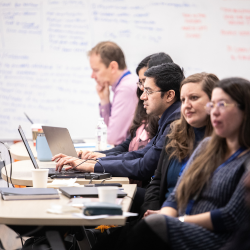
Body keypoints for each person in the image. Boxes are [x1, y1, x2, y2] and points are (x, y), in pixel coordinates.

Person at [95, 77, 250, 250]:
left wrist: (173, 220)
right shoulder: (206, 146)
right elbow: (177, 194)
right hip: (179, 222)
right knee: (114, 239)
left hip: (213, 237)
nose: (214, 111)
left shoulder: (245, 161)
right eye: (212, 105)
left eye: (222, 104)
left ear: (245, 110)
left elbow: (230, 217)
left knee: (140, 231)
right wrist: (167, 215)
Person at [53, 62, 185, 183]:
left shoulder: (174, 123)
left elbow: (144, 166)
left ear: (169, 95)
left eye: (148, 91)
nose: (142, 96)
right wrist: (95, 162)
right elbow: (141, 154)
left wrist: (91, 165)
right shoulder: (167, 118)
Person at [141, 72, 218, 215]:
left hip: (190, 220)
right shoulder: (175, 133)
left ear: (214, 101)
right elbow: (156, 182)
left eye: (194, 98)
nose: (186, 105)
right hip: (162, 213)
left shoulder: (222, 143)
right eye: (183, 100)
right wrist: (150, 212)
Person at [79, 52, 173, 160]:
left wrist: (101, 160)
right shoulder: (143, 106)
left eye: (145, 82)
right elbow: (128, 144)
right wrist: (100, 156)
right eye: (141, 82)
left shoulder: (126, 89)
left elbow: (113, 138)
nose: (142, 89)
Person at [88, 41, 138, 145]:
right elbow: (110, 134)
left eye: (96, 70)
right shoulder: (123, 84)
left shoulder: (126, 88)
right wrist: (104, 100)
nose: (92, 76)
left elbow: (112, 139)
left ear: (113, 67)